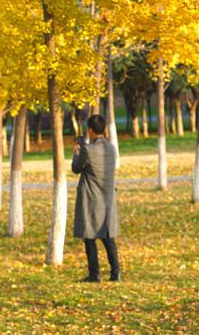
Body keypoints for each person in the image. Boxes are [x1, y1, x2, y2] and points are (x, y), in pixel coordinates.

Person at [72, 114, 120, 282]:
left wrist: (76, 153)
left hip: (91, 197)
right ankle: (115, 272)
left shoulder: (88, 150)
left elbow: (76, 168)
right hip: (107, 198)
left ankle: (94, 274)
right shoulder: (112, 148)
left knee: (89, 236)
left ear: (91, 130)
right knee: (107, 236)